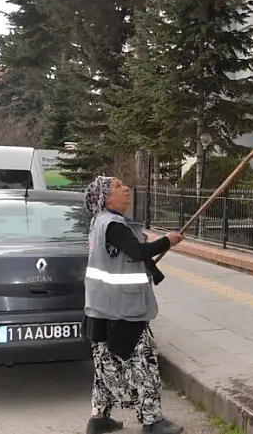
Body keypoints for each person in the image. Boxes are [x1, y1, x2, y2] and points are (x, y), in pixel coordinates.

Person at [82, 176, 185, 434]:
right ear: (106, 198)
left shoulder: (99, 222)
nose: (125, 188)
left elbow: (128, 257)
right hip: (123, 311)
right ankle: (152, 421)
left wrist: (153, 268)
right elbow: (137, 252)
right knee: (145, 363)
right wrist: (167, 241)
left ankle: (99, 418)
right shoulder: (113, 224)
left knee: (105, 364)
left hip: (101, 309)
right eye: (117, 187)